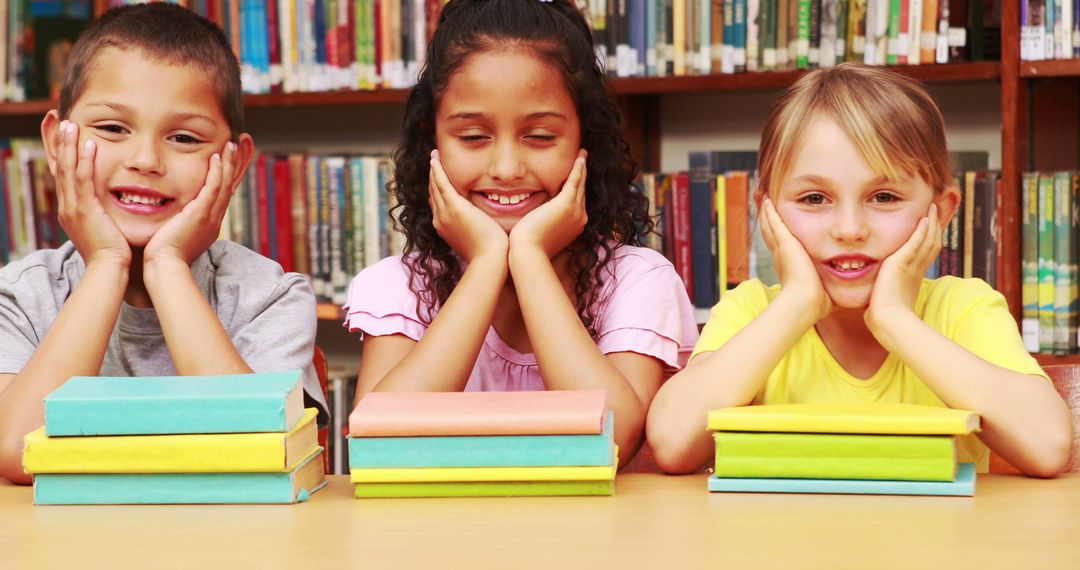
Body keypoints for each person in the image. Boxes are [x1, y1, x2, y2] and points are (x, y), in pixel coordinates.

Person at [647, 63, 1072, 477]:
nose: (849, 230)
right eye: (814, 199)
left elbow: (1047, 446)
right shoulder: (753, 312)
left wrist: (895, 320)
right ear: (767, 212)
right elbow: (671, 441)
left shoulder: (962, 309)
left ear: (940, 212)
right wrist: (797, 304)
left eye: (884, 197)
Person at [343, 0, 698, 468]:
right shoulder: (399, 285)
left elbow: (614, 437)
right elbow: (378, 443)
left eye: (540, 137)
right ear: (433, 142)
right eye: (473, 137)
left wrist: (528, 258)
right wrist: (489, 261)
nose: (507, 169)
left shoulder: (638, 280)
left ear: (584, 142)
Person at [0, 3, 327, 484]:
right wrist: (107, 264)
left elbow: (248, 450)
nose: (146, 159)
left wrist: (168, 265)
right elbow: (18, 453)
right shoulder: (21, 297)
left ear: (235, 166)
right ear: (56, 143)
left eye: (184, 137)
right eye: (113, 128)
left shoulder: (270, 297)